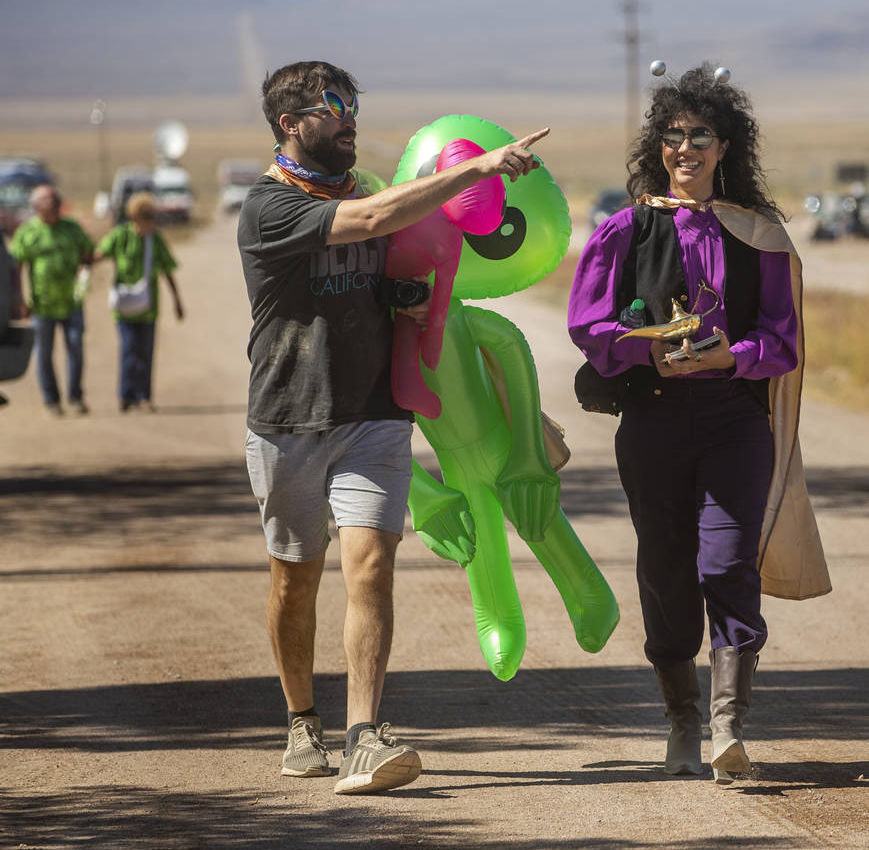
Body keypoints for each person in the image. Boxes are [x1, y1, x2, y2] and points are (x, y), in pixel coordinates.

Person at [238, 59, 547, 796]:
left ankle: (364, 737)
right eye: (333, 106)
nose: (349, 118)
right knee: (294, 582)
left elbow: (390, 251)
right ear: (291, 124)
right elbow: (374, 224)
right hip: (287, 419)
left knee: (371, 569)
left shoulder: (370, 191)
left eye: (353, 103)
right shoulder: (267, 208)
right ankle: (301, 720)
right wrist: (479, 168)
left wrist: (404, 297)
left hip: (374, 414)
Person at [568, 64, 828, 784]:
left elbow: (783, 341)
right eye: (673, 136)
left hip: (732, 423)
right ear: (658, 147)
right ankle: (680, 719)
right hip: (651, 422)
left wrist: (731, 355)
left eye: (700, 136)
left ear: (724, 147)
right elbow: (586, 328)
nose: (685, 149)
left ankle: (725, 727)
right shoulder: (624, 229)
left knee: (725, 564)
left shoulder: (759, 235)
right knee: (664, 571)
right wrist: (650, 353)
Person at [95, 191, 184, 411]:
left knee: (145, 353)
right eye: (147, 217)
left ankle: (144, 396)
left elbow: (168, 270)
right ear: (135, 217)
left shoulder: (156, 240)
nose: (151, 221)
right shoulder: (120, 235)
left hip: (148, 308)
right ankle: (125, 395)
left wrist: (177, 301)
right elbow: (100, 253)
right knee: (128, 350)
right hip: (124, 308)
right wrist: (83, 262)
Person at [9, 185, 93, 415]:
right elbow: (15, 268)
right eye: (49, 203)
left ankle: (76, 397)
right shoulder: (27, 232)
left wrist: (84, 274)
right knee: (43, 354)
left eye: (56, 202)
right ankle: (51, 400)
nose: (54, 206)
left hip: (72, 302)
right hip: (41, 305)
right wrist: (19, 300)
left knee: (75, 348)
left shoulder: (72, 229)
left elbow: (88, 253)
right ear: (37, 208)